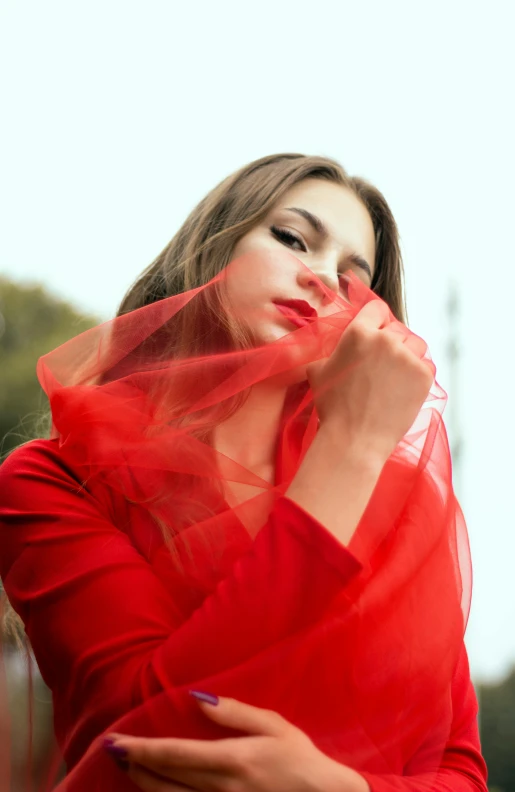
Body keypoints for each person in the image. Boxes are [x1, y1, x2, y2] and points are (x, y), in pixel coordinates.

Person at [0, 153, 487, 792]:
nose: (320, 279)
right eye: (292, 239)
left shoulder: (403, 509)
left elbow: (460, 772)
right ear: (213, 247)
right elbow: (144, 744)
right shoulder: (53, 480)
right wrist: (349, 448)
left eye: (351, 278)